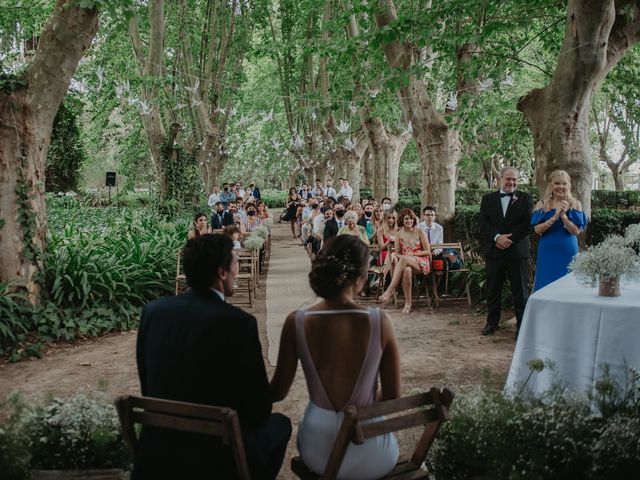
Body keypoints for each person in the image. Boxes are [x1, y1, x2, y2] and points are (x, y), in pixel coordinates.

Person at [135, 234, 291, 479]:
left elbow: (148, 384)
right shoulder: (239, 324)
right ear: (222, 272)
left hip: (157, 450)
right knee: (280, 424)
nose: (237, 270)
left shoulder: (153, 312)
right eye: (236, 263)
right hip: (217, 458)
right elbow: (259, 410)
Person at [270, 235, 401, 479]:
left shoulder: (296, 322)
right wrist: (359, 409)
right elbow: (393, 395)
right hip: (372, 452)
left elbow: (278, 392)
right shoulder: (379, 321)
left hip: (320, 450)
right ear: (360, 276)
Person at [478, 166, 533, 337]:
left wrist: (509, 239)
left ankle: (522, 326)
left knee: (520, 291)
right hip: (494, 252)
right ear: (500, 179)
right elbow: (483, 224)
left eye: (515, 179)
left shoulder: (525, 198)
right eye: (508, 179)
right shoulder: (487, 199)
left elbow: (527, 224)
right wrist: (497, 238)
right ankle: (492, 323)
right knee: (493, 289)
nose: (512, 182)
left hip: (517, 252)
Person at [531, 170, 587, 291]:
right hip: (547, 251)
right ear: (551, 185)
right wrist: (554, 217)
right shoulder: (542, 204)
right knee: (546, 285)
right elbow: (537, 230)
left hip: (568, 251)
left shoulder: (575, 204)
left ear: (569, 185)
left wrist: (564, 217)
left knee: (567, 286)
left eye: (564, 183)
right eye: (557, 183)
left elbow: (576, 231)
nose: (560, 187)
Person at [378, 208, 431, 314]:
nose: (409, 221)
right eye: (407, 219)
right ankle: (408, 304)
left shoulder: (419, 231)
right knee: (406, 271)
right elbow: (397, 252)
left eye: (411, 219)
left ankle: (389, 291)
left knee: (404, 259)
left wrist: (413, 254)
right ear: (402, 219)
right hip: (406, 261)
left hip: (421, 261)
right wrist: (404, 256)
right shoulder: (399, 234)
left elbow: (428, 252)